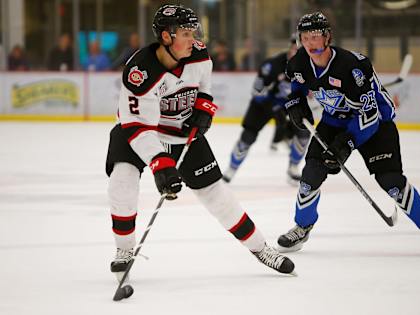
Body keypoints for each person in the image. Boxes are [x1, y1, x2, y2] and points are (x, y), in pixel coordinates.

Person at [105, 4, 295, 282]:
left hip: (182, 132)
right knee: (122, 180)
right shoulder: (140, 72)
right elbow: (138, 127)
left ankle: (261, 248)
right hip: (139, 132)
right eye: (185, 33)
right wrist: (161, 165)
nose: (193, 39)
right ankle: (124, 250)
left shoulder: (198, 54)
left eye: (194, 31)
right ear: (166, 37)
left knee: (216, 194)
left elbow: (203, 86)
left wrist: (204, 108)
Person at [276, 12, 420, 257]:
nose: (309, 43)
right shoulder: (298, 63)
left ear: (327, 37)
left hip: (376, 123)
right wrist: (295, 104)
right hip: (334, 121)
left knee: (391, 182)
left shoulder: (352, 66)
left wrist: (345, 144)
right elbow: (297, 87)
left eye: (315, 36)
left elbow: (370, 115)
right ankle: (302, 226)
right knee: (310, 175)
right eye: (305, 37)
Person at [223, 37, 309, 184]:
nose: (299, 53)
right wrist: (274, 109)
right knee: (248, 136)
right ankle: (231, 169)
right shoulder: (272, 65)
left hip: (288, 104)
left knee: (304, 132)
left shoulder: (308, 67)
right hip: (263, 105)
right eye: (296, 49)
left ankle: (293, 167)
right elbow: (256, 91)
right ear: (290, 48)